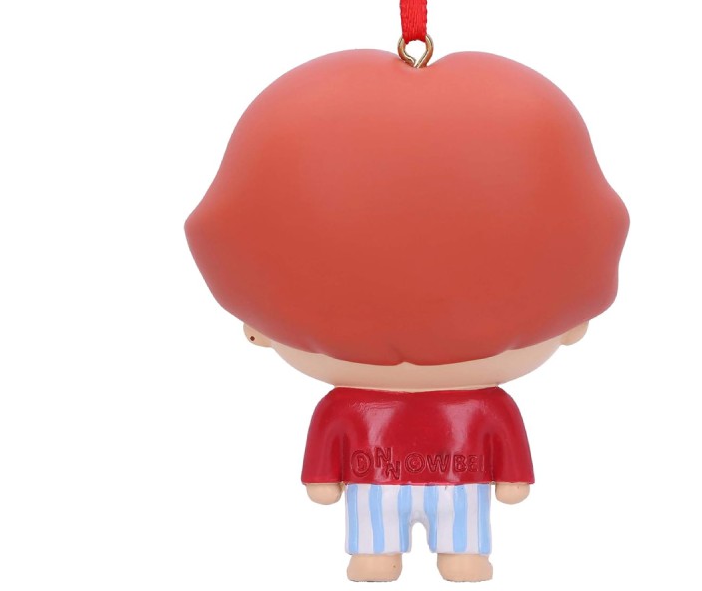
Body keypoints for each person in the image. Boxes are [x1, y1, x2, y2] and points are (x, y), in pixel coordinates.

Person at [185, 49, 629, 581]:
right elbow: (331, 446)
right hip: (380, 489)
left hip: (456, 490)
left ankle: (450, 554)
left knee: (456, 538)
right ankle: (388, 555)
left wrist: (511, 476)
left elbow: (502, 444)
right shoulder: (358, 406)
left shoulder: (478, 406)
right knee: (382, 539)